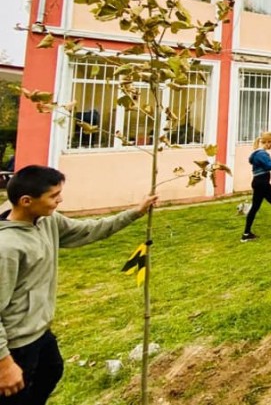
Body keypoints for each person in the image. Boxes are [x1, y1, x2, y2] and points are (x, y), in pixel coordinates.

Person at [0, 165, 157, 403]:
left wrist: (135, 212)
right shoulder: (7, 248)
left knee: (51, 370)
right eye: (54, 196)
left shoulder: (47, 221)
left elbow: (88, 230)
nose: (60, 200)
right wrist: (4, 362)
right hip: (14, 344)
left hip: (39, 332)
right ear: (26, 201)